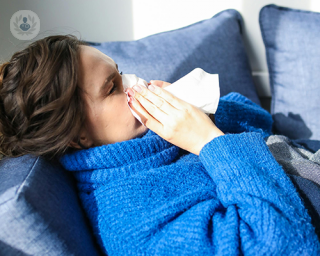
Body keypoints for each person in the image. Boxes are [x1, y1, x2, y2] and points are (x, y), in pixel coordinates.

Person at [0, 35, 319, 255]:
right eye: (113, 87)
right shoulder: (129, 220)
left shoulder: (149, 136)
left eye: (121, 71)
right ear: (77, 135)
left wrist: (200, 109)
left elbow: (260, 122)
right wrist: (207, 141)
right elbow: (281, 246)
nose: (135, 82)